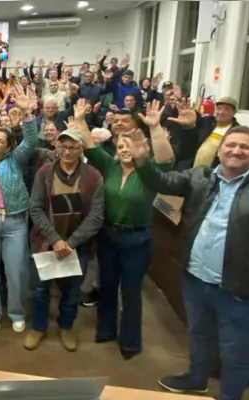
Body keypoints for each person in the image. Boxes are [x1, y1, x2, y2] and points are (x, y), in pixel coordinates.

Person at [126, 126, 249, 400]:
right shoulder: (201, 177)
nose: (236, 150)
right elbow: (164, 182)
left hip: (239, 288)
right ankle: (197, 379)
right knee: (199, 335)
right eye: (231, 144)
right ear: (220, 150)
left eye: (245, 147)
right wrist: (142, 160)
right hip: (196, 277)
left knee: (234, 353)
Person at [76, 98, 174, 359]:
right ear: (116, 149)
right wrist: (79, 119)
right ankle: (106, 330)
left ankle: (130, 341)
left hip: (137, 239)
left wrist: (154, 128)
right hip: (108, 235)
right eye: (120, 146)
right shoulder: (109, 166)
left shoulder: (149, 173)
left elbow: (167, 160)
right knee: (107, 285)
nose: (124, 150)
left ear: (142, 151)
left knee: (130, 291)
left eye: (130, 147)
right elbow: (89, 144)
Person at [25, 128, 104, 351]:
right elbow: (36, 208)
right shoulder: (44, 173)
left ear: (81, 149)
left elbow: (96, 216)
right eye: (63, 147)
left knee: (71, 292)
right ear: (56, 148)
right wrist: (56, 240)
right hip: (46, 243)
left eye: (73, 147)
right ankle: (39, 327)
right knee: (40, 290)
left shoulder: (93, 176)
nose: (67, 152)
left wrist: (71, 243)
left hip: (77, 247)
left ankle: (66, 327)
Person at [0, 85, 38, 333]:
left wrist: (26, 114)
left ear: (8, 147)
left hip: (15, 223)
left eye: (1, 141)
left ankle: (16, 312)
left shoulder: (15, 160)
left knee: (16, 272)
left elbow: (31, 140)